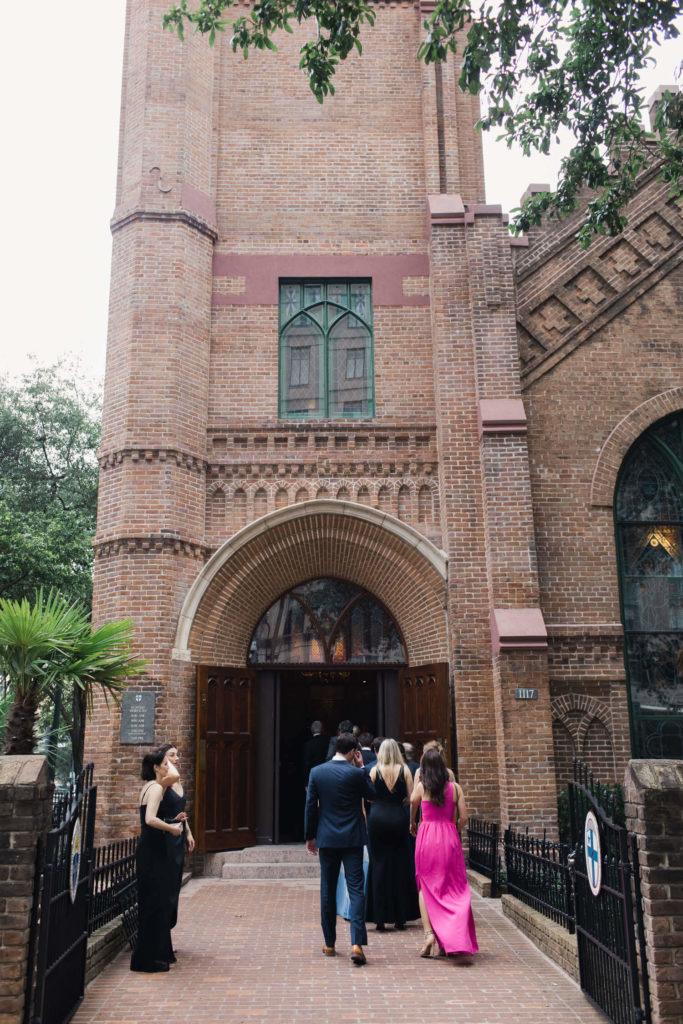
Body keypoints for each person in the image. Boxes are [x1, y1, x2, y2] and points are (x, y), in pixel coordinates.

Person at [305, 732, 375, 965]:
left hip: (327, 838)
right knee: (356, 890)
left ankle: (329, 943)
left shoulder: (317, 772)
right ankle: (356, 943)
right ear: (354, 751)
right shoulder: (356, 773)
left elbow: (311, 807)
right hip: (352, 839)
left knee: (328, 889)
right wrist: (362, 768)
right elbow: (372, 796)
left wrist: (310, 836)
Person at [410, 748, 478, 961]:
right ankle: (449, 938)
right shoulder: (455, 788)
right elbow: (464, 818)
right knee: (452, 886)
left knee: (425, 885)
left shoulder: (422, 787)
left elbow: (412, 802)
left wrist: (412, 822)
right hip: (448, 837)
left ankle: (429, 934)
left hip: (427, 836)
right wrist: (454, 826)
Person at [130, 749, 184, 973]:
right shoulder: (154, 788)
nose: (167, 766)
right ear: (156, 768)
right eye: (164, 763)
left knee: (153, 903)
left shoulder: (149, 788)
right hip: (153, 850)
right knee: (153, 904)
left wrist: (173, 819)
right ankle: (145, 960)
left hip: (150, 848)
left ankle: (151, 955)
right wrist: (171, 828)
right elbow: (150, 819)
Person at [365, 739, 419, 931]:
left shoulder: (373, 771)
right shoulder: (405, 770)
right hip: (397, 817)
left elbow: (367, 796)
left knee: (378, 864)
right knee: (399, 864)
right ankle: (400, 917)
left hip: (377, 817)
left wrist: (378, 801)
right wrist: (401, 803)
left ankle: (379, 918)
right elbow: (412, 798)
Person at [156, 742, 195, 958]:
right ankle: (162, 943)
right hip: (167, 840)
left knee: (174, 889)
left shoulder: (177, 782)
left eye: (177, 755)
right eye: (172, 755)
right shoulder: (163, 782)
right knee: (167, 891)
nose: (177, 758)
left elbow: (180, 811)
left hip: (179, 838)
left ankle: (167, 936)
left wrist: (188, 832)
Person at [303, 721, 328, 787]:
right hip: (326, 775)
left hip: (313, 776)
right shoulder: (327, 742)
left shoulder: (308, 744)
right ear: (322, 729)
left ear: (311, 730)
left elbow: (306, 764)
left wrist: (306, 783)